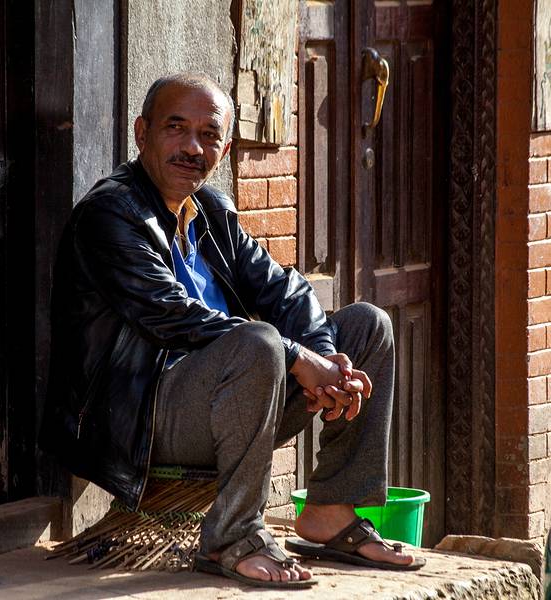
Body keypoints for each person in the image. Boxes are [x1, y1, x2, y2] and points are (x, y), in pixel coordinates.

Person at [40, 72, 425, 589]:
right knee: (258, 342)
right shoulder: (109, 213)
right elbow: (170, 315)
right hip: (140, 415)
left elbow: (285, 291)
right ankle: (233, 536)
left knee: (367, 326)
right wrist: (297, 358)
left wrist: (325, 359)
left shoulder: (211, 212)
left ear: (223, 149)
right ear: (142, 133)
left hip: (232, 398)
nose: (192, 147)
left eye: (209, 135)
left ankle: (331, 509)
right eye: (176, 128)